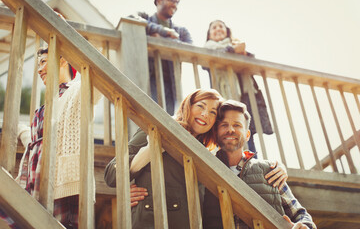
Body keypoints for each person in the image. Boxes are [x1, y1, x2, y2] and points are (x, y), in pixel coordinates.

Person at [104, 89, 288, 229]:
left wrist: (277, 166)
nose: (205, 115)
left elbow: (238, 168)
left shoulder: (207, 156)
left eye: (213, 112)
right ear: (188, 106)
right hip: (151, 222)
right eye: (200, 106)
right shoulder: (155, 128)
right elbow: (112, 175)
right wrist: (154, 147)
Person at [0, 47, 102, 228]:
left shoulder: (78, 90)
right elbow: (36, 143)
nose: (39, 69)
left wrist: (65, 34)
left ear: (63, 60)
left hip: (59, 184)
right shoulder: (44, 106)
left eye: (43, 62)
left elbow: (99, 69)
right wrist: (21, 130)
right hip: (35, 181)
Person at [202, 100, 316, 229]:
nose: (230, 129)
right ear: (216, 133)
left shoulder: (270, 170)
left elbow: (300, 214)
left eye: (237, 125)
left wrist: (305, 226)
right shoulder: (205, 169)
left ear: (247, 135)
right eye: (224, 125)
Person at [203, 20, 273, 156]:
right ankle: (231, 165)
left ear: (227, 31)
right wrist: (233, 51)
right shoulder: (209, 48)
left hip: (245, 96)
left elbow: (253, 61)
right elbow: (206, 62)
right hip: (226, 97)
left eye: (221, 26)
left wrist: (243, 53)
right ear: (209, 34)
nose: (218, 29)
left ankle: (251, 163)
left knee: (247, 132)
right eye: (214, 27)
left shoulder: (236, 44)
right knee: (227, 131)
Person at [130, 0, 192, 115]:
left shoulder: (182, 31)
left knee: (167, 119)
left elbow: (190, 49)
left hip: (171, 83)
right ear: (159, 1)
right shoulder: (144, 17)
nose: (174, 4)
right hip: (148, 77)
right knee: (147, 116)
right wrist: (165, 31)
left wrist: (162, 39)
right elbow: (131, 19)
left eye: (177, 2)